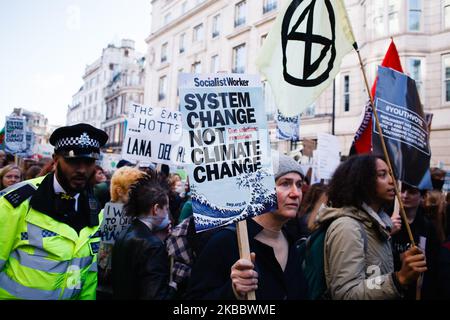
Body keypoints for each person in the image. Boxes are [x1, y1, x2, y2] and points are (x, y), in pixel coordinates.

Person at [0, 123, 108, 299]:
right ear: (56, 160)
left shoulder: (95, 209)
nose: (81, 169)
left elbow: (88, 276)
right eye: (73, 161)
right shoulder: (16, 203)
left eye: (89, 162)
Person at [186, 152, 308, 300]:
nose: (296, 193)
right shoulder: (226, 240)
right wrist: (233, 292)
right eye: (285, 183)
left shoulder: (292, 240)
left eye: (299, 185)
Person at [315, 154, 427, 300]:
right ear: (362, 181)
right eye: (382, 175)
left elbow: (373, 270)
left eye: (391, 174)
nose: (392, 181)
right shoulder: (348, 228)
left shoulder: (377, 225)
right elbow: (345, 293)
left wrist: (400, 259)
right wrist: (398, 279)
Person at [112, 173, 177, 299]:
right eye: (166, 208)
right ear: (156, 209)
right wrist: (172, 288)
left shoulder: (125, 232)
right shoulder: (153, 247)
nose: (168, 214)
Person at [97, 166, 145, 299]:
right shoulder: (105, 215)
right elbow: (104, 258)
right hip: (108, 287)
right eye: (133, 189)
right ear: (119, 191)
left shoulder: (139, 216)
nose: (139, 194)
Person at [390, 183, 440, 299]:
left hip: (419, 290)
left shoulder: (428, 227)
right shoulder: (388, 221)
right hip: (393, 287)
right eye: (402, 191)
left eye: (411, 192)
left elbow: (433, 264)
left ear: (422, 197)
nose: (405, 195)